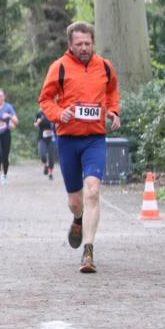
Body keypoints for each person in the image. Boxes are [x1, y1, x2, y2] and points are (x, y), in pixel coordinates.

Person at [39, 21, 120, 274]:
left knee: (93, 191)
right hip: (68, 140)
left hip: (95, 138)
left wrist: (114, 112)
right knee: (76, 202)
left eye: (88, 43)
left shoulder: (105, 67)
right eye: (79, 44)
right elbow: (45, 100)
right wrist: (58, 114)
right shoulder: (59, 67)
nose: (84, 48)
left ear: (92, 42)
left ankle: (88, 251)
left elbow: (112, 92)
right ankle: (78, 218)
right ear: (70, 45)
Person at [34, 110, 57, 181]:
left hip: (52, 138)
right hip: (42, 138)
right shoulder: (39, 114)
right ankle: (45, 165)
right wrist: (38, 122)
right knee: (42, 155)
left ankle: (50, 173)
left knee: (51, 156)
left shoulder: (54, 112)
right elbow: (35, 125)